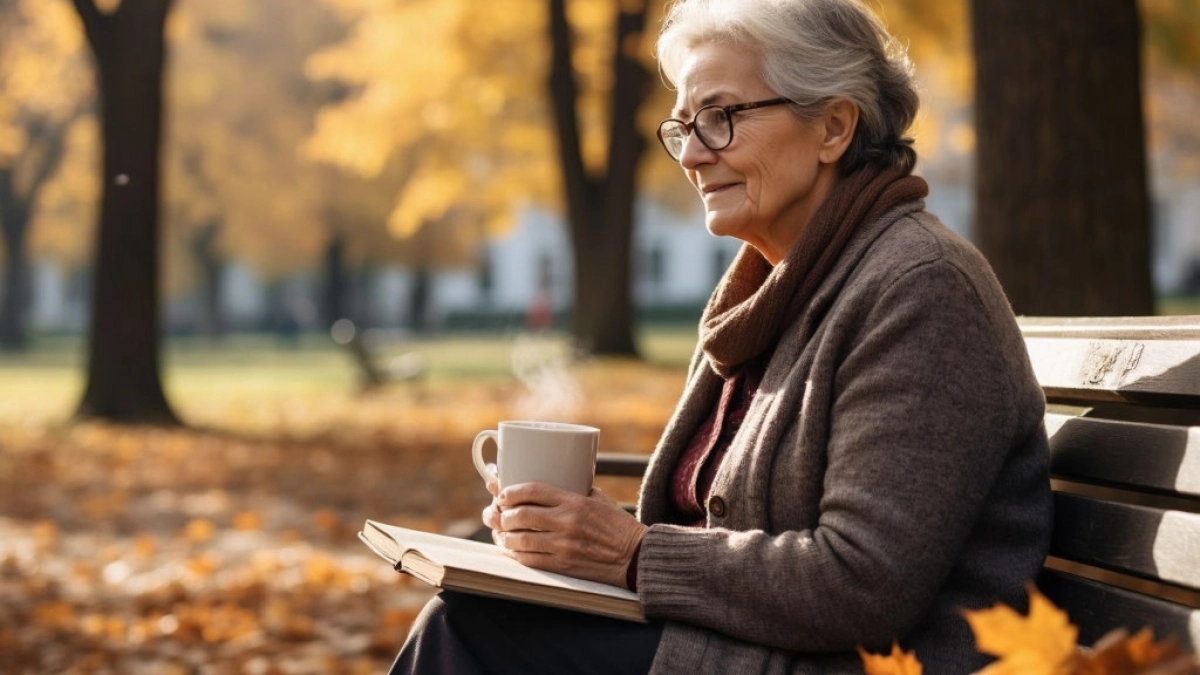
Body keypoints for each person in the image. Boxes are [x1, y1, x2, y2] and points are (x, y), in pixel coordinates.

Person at [389, 0, 1052, 672]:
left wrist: (632, 551)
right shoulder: (775, 289)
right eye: (683, 126)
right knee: (475, 589)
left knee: (469, 629)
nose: (694, 155)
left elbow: (861, 581)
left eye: (722, 117)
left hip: (852, 662)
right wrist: (571, 533)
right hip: (750, 643)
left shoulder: (919, 288)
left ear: (833, 126)